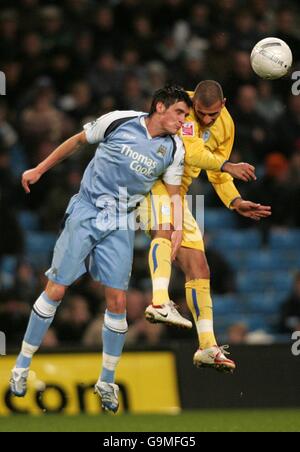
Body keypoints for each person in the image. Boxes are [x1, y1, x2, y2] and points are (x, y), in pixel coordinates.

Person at [10, 85, 193, 413]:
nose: (183, 120)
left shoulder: (174, 149)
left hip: (122, 220)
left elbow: (175, 193)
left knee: (118, 301)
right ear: (161, 106)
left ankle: (106, 380)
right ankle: (21, 366)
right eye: (179, 112)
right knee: (55, 290)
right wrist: (39, 168)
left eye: (185, 115)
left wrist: (177, 227)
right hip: (87, 211)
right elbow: (77, 141)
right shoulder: (119, 121)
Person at [142, 80, 272, 372]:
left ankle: (207, 347)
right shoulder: (182, 108)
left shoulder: (226, 126)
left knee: (199, 267)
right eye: (201, 112)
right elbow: (192, 152)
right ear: (193, 103)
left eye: (212, 114)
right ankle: (159, 302)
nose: (206, 119)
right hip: (152, 179)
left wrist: (235, 201)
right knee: (165, 228)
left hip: (179, 192)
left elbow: (217, 173)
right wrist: (226, 165)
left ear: (223, 104)